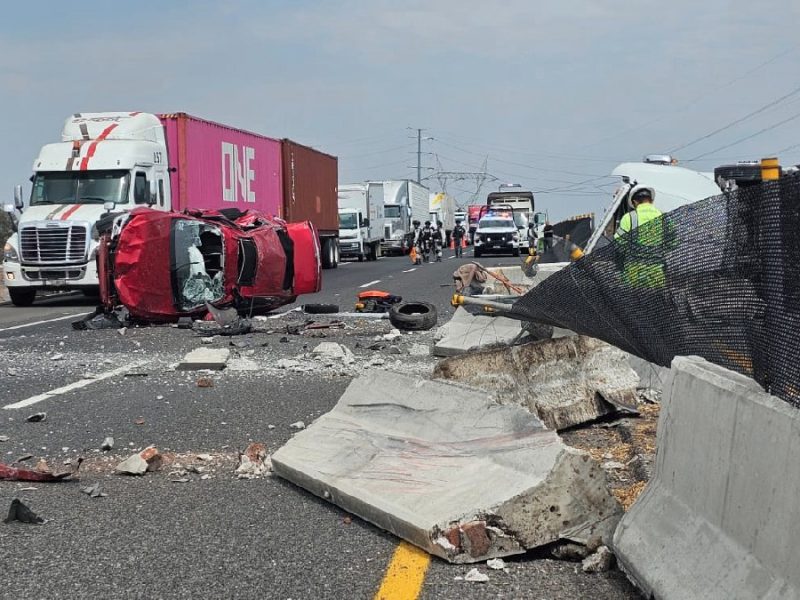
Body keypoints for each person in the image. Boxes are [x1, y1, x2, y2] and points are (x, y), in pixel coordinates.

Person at [614, 187, 672, 288]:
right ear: (651, 200)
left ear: (635, 202)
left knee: (635, 302)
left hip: (634, 273)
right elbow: (673, 242)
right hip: (657, 272)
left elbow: (618, 244)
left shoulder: (629, 218)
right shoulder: (664, 217)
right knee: (656, 302)